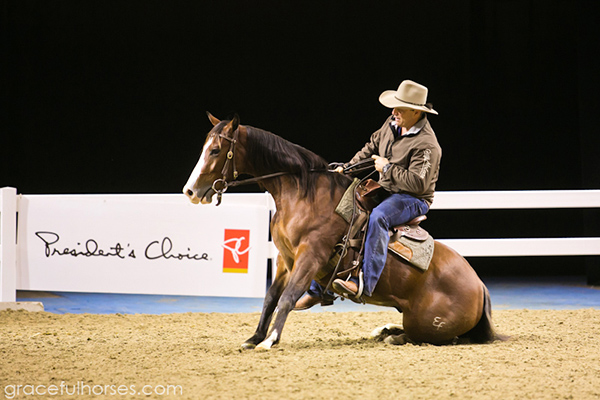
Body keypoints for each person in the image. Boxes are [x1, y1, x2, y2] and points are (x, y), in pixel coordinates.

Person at [295, 79, 442, 310]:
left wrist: (387, 169)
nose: (394, 111)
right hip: (387, 189)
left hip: (413, 199)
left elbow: (418, 183)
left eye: (400, 108)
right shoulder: (392, 123)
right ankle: (320, 289)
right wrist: (347, 168)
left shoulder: (427, 145)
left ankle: (364, 283)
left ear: (416, 111)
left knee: (379, 217)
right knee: (341, 209)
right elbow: (372, 145)